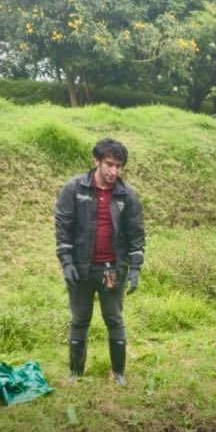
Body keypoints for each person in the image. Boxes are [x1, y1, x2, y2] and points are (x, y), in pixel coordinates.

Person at [55, 138, 145, 385]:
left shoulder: (127, 196)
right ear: (96, 161)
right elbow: (63, 227)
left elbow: (136, 234)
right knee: (79, 319)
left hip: (112, 270)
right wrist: (66, 262)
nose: (114, 171)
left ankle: (118, 374)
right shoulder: (74, 189)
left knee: (114, 318)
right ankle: (75, 373)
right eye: (109, 164)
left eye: (119, 166)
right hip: (81, 269)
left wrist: (135, 268)